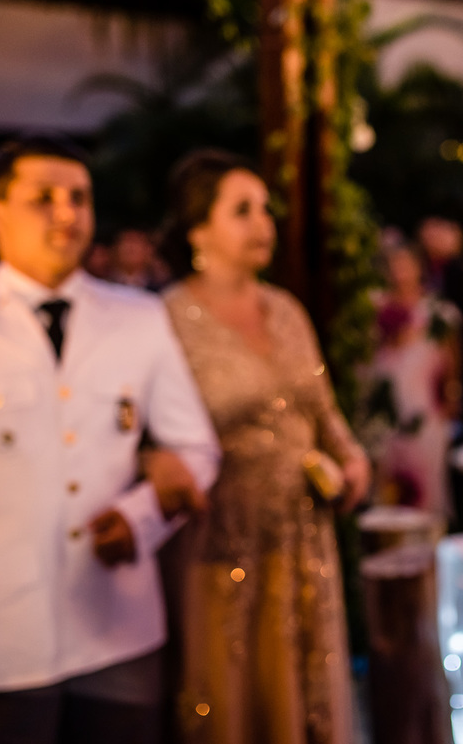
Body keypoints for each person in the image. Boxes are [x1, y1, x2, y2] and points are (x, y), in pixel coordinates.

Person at [0, 135, 221, 744]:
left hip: (119, 626)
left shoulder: (139, 318)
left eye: (79, 198)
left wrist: (140, 516)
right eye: (44, 198)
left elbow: (196, 446)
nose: (66, 214)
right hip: (0, 639)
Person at [160, 148, 370, 744]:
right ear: (199, 227)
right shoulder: (169, 319)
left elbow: (322, 409)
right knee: (233, 690)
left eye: (265, 210)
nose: (263, 224)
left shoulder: (285, 309)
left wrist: (352, 458)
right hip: (221, 535)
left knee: (310, 687)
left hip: (303, 530)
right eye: (242, 211)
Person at [364, 240, 461, 517]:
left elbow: (452, 359)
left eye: (406, 265)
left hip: (423, 405)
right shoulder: (376, 307)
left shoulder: (437, 313)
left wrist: (452, 394)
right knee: (387, 479)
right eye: (396, 265)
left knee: (426, 478)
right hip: (387, 406)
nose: (401, 272)